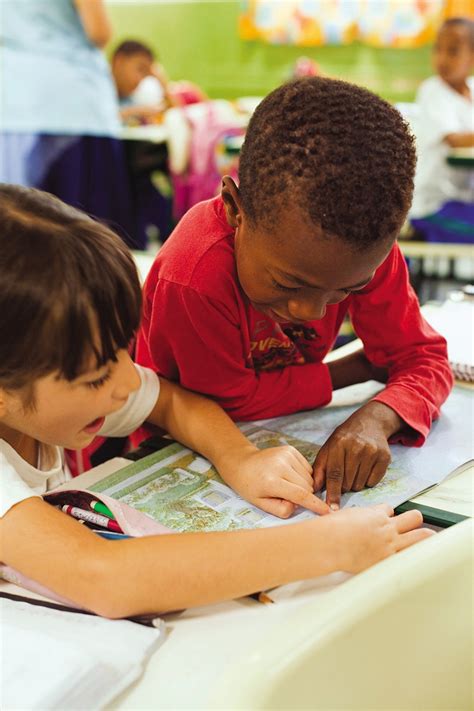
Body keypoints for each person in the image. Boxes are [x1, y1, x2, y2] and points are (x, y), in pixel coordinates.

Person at [0, 185, 432, 617]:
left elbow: (170, 402)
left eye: (123, 352)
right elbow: (107, 578)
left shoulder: (45, 382)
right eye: (97, 378)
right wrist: (332, 544)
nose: (129, 382)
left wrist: (240, 458)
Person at [135, 77, 454, 512]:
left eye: (347, 290)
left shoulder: (362, 254)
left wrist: (380, 416)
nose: (311, 310)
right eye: (287, 284)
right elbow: (229, 400)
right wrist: (352, 369)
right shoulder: (194, 274)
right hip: (171, 452)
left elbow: (425, 358)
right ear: (234, 208)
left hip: (279, 430)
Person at [0, 0, 136, 246]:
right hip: (73, 105)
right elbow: (99, 31)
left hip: (14, 106)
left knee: (17, 237)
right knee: (87, 244)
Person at [409, 17, 474, 245]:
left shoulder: (471, 90)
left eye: (453, 51)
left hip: (463, 200)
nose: (442, 58)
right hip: (432, 206)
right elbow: (454, 140)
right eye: (438, 49)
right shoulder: (433, 90)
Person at [111, 39, 176, 124]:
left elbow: (173, 112)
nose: (140, 80)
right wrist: (135, 112)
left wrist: (162, 83)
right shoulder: (95, 87)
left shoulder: (129, 98)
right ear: (119, 60)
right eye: (140, 69)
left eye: (146, 74)